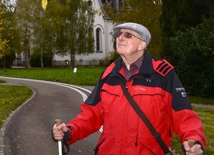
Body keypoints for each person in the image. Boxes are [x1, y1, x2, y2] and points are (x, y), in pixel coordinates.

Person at [52, 22, 206, 154]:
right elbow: (91, 114)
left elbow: (184, 114)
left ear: (142, 44)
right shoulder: (109, 74)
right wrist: (70, 131)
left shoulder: (162, 74)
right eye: (119, 34)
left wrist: (194, 140)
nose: (120, 37)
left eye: (128, 35)